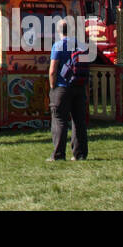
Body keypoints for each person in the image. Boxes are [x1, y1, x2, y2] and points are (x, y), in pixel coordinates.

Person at [47, 21, 89, 162]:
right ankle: (80, 154)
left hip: (62, 87)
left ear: (58, 31)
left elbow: (53, 70)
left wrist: (53, 87)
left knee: (59, 120)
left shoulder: (58, 45)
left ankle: (58, 155)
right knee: (79, 121)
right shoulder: (81, 45)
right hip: (79, 86)